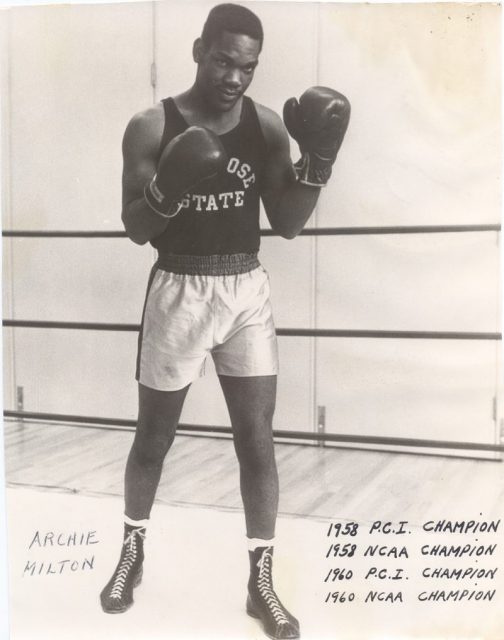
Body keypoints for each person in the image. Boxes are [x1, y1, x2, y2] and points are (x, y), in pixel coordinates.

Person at [100, 4, 350, 638]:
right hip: (177, 285)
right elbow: (135, 228)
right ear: (197, 50)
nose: (235, 77)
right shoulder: (151, 124)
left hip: (245, 290)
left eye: (247, 66)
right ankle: (132, 552)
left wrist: (317, 162)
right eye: (222, 60)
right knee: (152, 441)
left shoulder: (265, 126)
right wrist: (168, 188)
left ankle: (259, 580)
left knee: (256, 442)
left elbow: (288, 224)